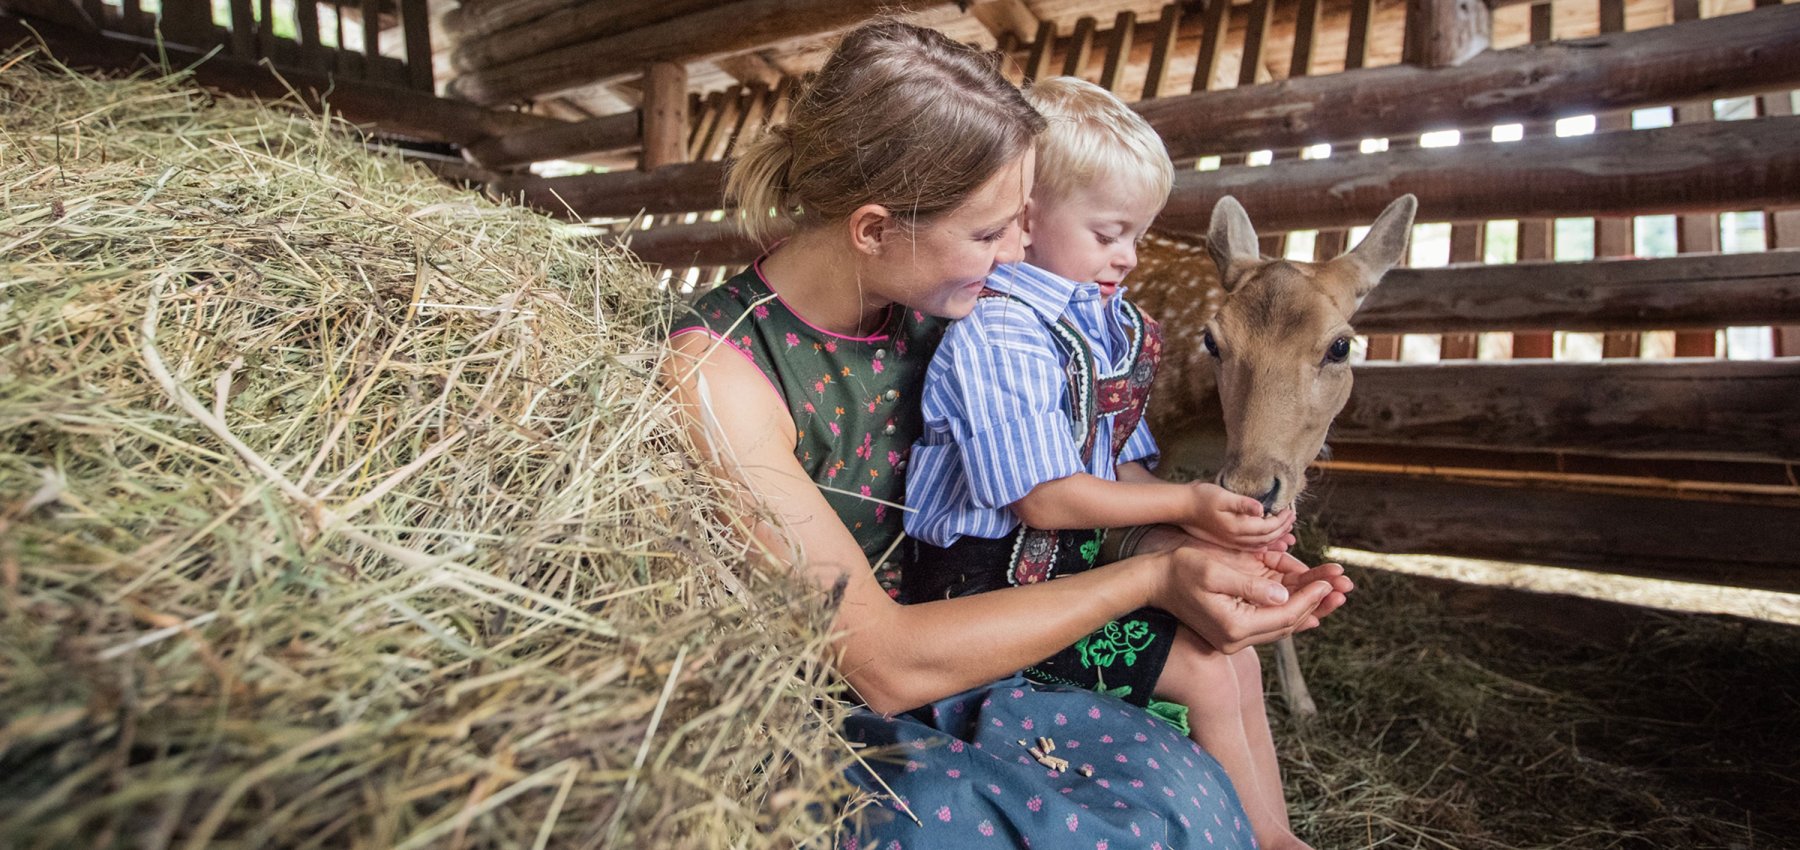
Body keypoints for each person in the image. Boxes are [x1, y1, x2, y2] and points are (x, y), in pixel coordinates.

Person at [662, 19, 1352, 847]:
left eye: (1024, 220)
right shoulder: (720, 375)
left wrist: (1208, 546)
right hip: (836, 699)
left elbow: (1074, 468)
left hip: (985, 636)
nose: (1020, 255)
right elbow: (877, 664)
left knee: (1186, 784)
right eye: (991, 233)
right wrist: (1155, 580)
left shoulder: (941, 307)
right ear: (875, 227)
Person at [900, 75, 1308, 849]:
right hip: (982, 594)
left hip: (1065, 578)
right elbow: (1047, 500)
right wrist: (1188, 504)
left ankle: (1275, 831)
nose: (1127, 256)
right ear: (1027, 216)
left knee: (1229, 656)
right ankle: (1263, 840)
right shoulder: (1004, 334)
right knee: (1204, 670)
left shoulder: (1107, 330)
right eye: (1108, 232)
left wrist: (1219, 532)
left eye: (1138, 237)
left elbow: (1119, 469)